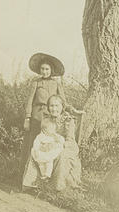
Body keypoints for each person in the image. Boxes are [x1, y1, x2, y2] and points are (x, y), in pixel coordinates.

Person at [20, 53, 83, 187]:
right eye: (42, 69)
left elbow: (63, 102)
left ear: (51, 70)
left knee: (49, 146)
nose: (44, 71)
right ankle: (29, 179)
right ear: (39, 70)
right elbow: (30, 101)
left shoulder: (56, 83)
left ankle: (47, 179)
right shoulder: (36, 82)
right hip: (37, 116)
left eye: (47, 69)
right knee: (34, 145)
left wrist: (73, 111)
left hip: (51, 116)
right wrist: (27, 118)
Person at [22, 95, 81, 191]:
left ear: (62, 107)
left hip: (66, 146)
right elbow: (43, 135)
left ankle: (57, 188)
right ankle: (34, 185)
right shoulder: (46, 119)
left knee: (61, 156)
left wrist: (58, 145)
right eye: (51, 106)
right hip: (50, 145)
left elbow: (70, 139)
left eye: (57, 106)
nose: (54, 109)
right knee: (36, 152)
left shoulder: (68, 120)